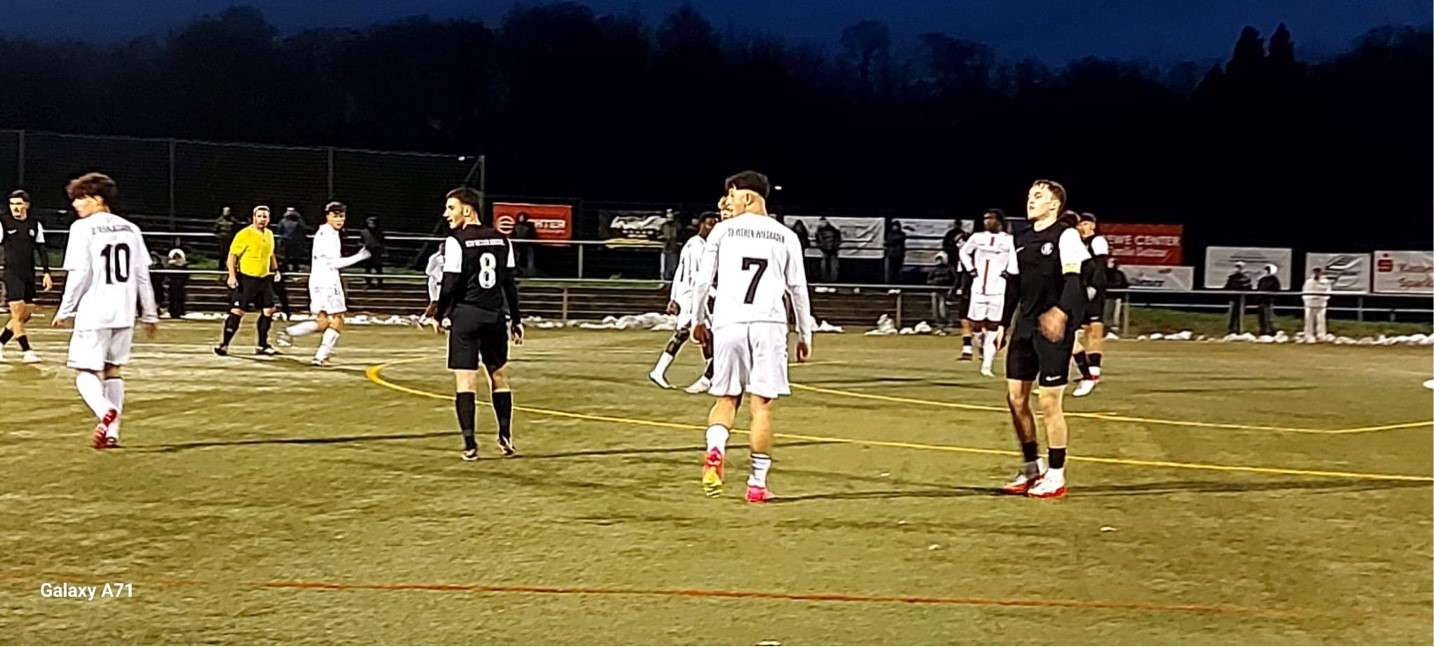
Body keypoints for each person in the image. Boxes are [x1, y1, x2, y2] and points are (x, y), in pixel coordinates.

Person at [690, 170, 814, 504]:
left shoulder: (723, 231)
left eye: (731, 196)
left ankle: (716, 449)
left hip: (728, 322)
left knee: (726, 399)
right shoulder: (785, 236)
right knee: (762, 406)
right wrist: (805, 334)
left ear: (746, 196)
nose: (728, 203)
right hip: (768, 325)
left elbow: (703, 280)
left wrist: (697, 319)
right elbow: (798, 289)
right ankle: (757, 484)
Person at [995, 180, 1089, 499]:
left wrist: (1061, 312)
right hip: (1025, 327)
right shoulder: (1019, 239)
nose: (1031, 201)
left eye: (1038, 196)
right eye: (1029, 196)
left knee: (1049, 402)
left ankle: (1057, 474)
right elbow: (1013, 285)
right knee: (1015, 399)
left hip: (1053, 330)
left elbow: (1074, 281)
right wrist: (1003, 324)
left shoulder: (1066, 235)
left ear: (1054, 204)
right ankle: (1031, 467)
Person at [52, 172, 158, 449]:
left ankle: (105, 412)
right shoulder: (131, 229)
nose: (75, 204)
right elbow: (142, 276)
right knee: (113, 369)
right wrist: (150, 314)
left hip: (94, 310)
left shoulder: (82, 229)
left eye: (80, 198)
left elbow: (79, 274)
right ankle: (112, 434)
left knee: (84, 371)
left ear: (98, 199)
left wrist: (65, 309)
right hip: (124, 311)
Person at [434, 187, 524, 460]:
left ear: (467, 209)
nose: (446, 214)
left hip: (466, 316)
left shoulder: (456, 240)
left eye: (451, 208)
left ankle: (470, 445)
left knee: (466, 381)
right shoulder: (502, 239)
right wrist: (516, 319)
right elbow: (509, 284)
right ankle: (505, 436)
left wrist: (439, 313)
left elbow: (450, 282)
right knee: (499, 377)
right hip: (495, 317)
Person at [279, 201, 370, 366]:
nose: (340, 219)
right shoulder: (329, 235)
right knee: (338, 318)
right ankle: (320, 356)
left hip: (316, 281)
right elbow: (334, 263)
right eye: (336, 216)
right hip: (329, 282)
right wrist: (360, 256)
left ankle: (290, 332)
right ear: (328, 216)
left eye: (342, 216)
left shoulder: (322, 232)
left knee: (322, 321)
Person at [650, 212, 720, 391]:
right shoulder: (698, 246)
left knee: (705, 334)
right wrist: (713, 293)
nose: (713, 227)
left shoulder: (694, 244)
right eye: (710, 223)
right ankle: (659, 371)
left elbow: (679, 272)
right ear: (701, 224)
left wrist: (673, 297)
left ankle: (711, 375)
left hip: (690, 294)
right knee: (689, 333)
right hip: (692, 295)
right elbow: (697, 275)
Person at [214, 206, 280, 357]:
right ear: (254, 217)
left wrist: (275, 270)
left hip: (264, 279)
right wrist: (232, 275)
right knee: (237, 311)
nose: (262, 219)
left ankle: (262, 345)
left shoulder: (269, 234)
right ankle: (224, 345)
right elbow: (232, 256)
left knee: (269, 310)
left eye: (265, 216)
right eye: (259, 216)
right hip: (246, 279)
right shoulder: (244, 234)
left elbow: (270, 254)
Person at [958, 210, 1015, 377]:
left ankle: (987, 364)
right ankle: (982, 346)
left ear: (999, 221)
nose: (986, 221)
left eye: (990, 218)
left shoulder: (1008, 240)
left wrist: (1008, 272)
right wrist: (971, 269)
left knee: (993, 325)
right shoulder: (977, 237)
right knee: (976, 324)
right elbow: (964, 252)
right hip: (978, 288)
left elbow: (1014, 258)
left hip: (998, 289)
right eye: (985, 219)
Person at [0, 190, 54, 363]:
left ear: (27, 205)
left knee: (26, 315)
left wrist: (46, 272)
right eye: (12, 204)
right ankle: (27, 351)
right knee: (17, 315)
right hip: (11, 273)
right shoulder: (3, 222)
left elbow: (41, 249)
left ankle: (0, 342)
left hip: (29, 273)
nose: (15, 207)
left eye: (18, 204)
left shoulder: (34, 224)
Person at [1071, 213, 1110, 397]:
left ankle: (1093, 372)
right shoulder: (1077, 243)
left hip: (1093, 291)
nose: (1082, 227)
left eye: (1085, 224)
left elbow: (1100, 267)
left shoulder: (1097, 241)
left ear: (1093, 225)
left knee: (1094, 330)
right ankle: (1085, 370)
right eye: (1080, 224)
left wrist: (1094, 287)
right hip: (1080, 290)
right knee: (1076, 331)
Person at [1222, 262, 1254, 334]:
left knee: (1240, 315)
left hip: (1241, 299)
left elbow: (1248, 287)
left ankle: (1239, 329)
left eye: (1239, 267)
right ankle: (1231, 329)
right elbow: (1227, 287)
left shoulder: (1245, 278)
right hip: (1233, 298)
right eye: (1237, 267)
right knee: (1231, 315)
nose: (1237, 269)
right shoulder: (1231, 277)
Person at [1302, 267, 1332, 342]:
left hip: (1321, 304)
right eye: (1315, 271)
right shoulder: (1309, 281)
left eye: (1318, 271)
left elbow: (1328, 292)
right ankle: (1308, 336)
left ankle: (1321, 336)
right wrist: (1307, 300)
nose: (1316, 273)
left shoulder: (1325, 282)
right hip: (1309, 304)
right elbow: (1304, 291)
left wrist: (1323, 299)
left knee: (1321, 320)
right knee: (1308, 320)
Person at [359, 215, 387, 288]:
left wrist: (381, 249)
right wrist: (362, 246)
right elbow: (360, 241)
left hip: (376, 251)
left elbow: (382, 241)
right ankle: (368, 283)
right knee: (367, 268)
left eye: (372, 223)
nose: (371, 224)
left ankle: (380, 283)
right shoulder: (364, 232)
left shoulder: (379, 232)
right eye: (369, 223)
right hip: (368, 251)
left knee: (378, 268)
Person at [1256, 264, 1282, 336]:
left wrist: (1271, 298)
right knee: (1261, 317)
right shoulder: (1262, 279)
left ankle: (1269, 331)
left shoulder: (1274, 280)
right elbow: (1259, 288)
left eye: (1266, 270)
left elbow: (1276, 290)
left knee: (1268, 317)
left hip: (1268, 302)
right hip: (1261, 301)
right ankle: (1262, 331)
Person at [165, 243, 189, 319]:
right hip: (173, 285)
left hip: (180, 285)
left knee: (180, 299)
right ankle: (173, 312)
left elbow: (186, 276)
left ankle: (179, 311)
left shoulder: (184, 267)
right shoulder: (170, 266)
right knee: (172, 299)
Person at [815, 217, 842, 282]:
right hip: (826, 251)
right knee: (825, 265)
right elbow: (818, 241)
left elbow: (837, 239)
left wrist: (834, 246)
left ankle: (832, 279)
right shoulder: (819, 232)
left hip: (832, 251)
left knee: (832, 265)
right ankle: (826, 278)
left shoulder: (833, 231)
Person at [511, 212, 539, 277]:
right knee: (516, 259)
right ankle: (515, 272)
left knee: (530, 259)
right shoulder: (516, 226)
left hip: (527, 245)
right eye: (520, 217)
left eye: (523, 217)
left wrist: (530, 241)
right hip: (518, 245)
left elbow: (532, 234)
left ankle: (531, 273)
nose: (521, 218)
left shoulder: (529, 226)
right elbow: (513, 235)